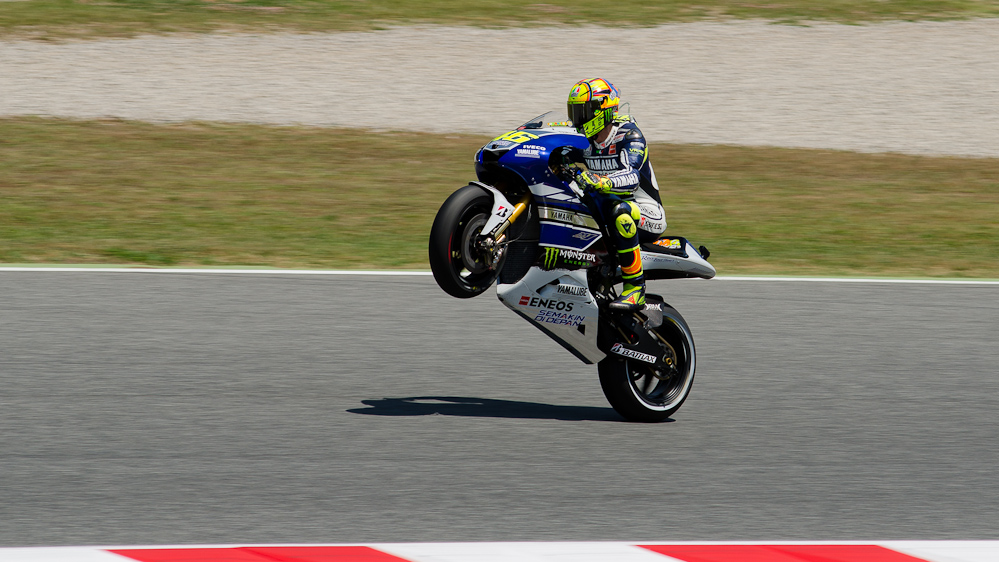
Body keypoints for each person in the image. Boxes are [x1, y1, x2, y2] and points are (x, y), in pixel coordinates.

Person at [565, 78, 667, 311]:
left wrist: (603, 181)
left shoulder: (629, 136)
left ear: (603, 110)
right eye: (575, 112)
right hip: (606, 204)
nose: (578, 119)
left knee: (618, 212)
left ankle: (635, 289)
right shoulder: (585, 140)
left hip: (644, 210)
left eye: (583, 111)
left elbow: (632, 178)